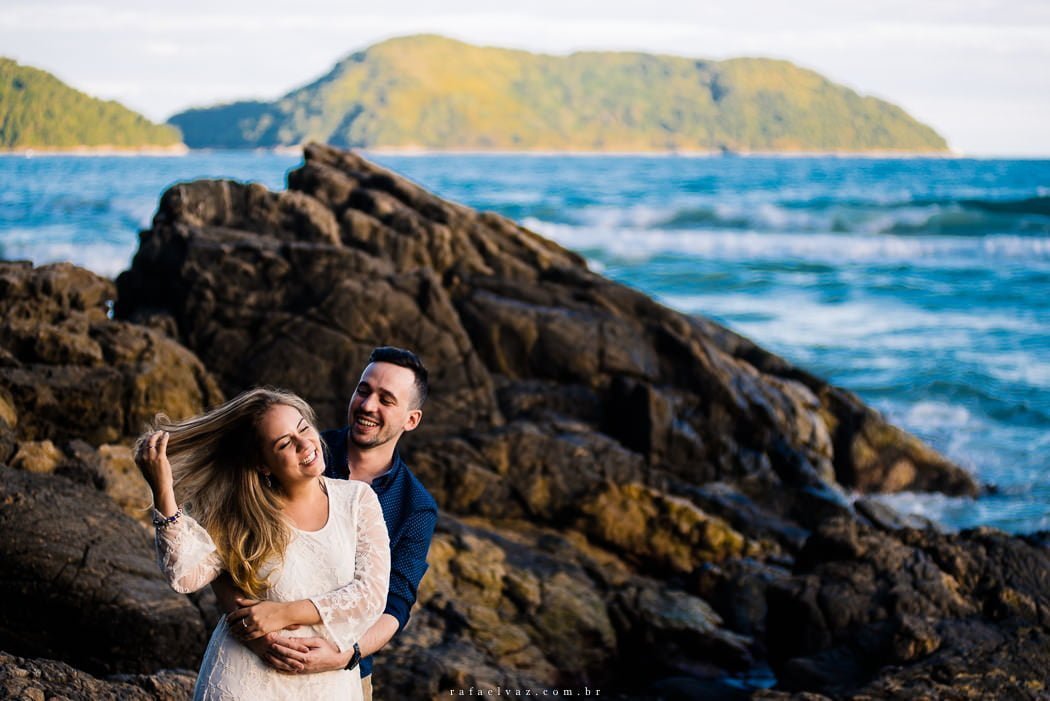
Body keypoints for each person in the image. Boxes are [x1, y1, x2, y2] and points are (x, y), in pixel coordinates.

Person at [135, 388, 391, 700]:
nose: (304, 444)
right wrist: (163, 491)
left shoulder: (357, 501)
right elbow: (184, 576)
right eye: (284, 444)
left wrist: (283, 614)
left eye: (303, 428)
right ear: (263, 464)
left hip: (330, 685)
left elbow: (371, 595)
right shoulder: (242, 513)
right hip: (246, 684)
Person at [215, 346, 439, 701]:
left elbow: (395, 604)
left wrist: (345, 654)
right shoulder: (298, 451)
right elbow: (227, 556)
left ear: (411, 420)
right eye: (364, 390)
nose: (367, 406)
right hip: (252, 662)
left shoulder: (416, 506)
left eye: (386, 399)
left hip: (344, 672)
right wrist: (258, 639)